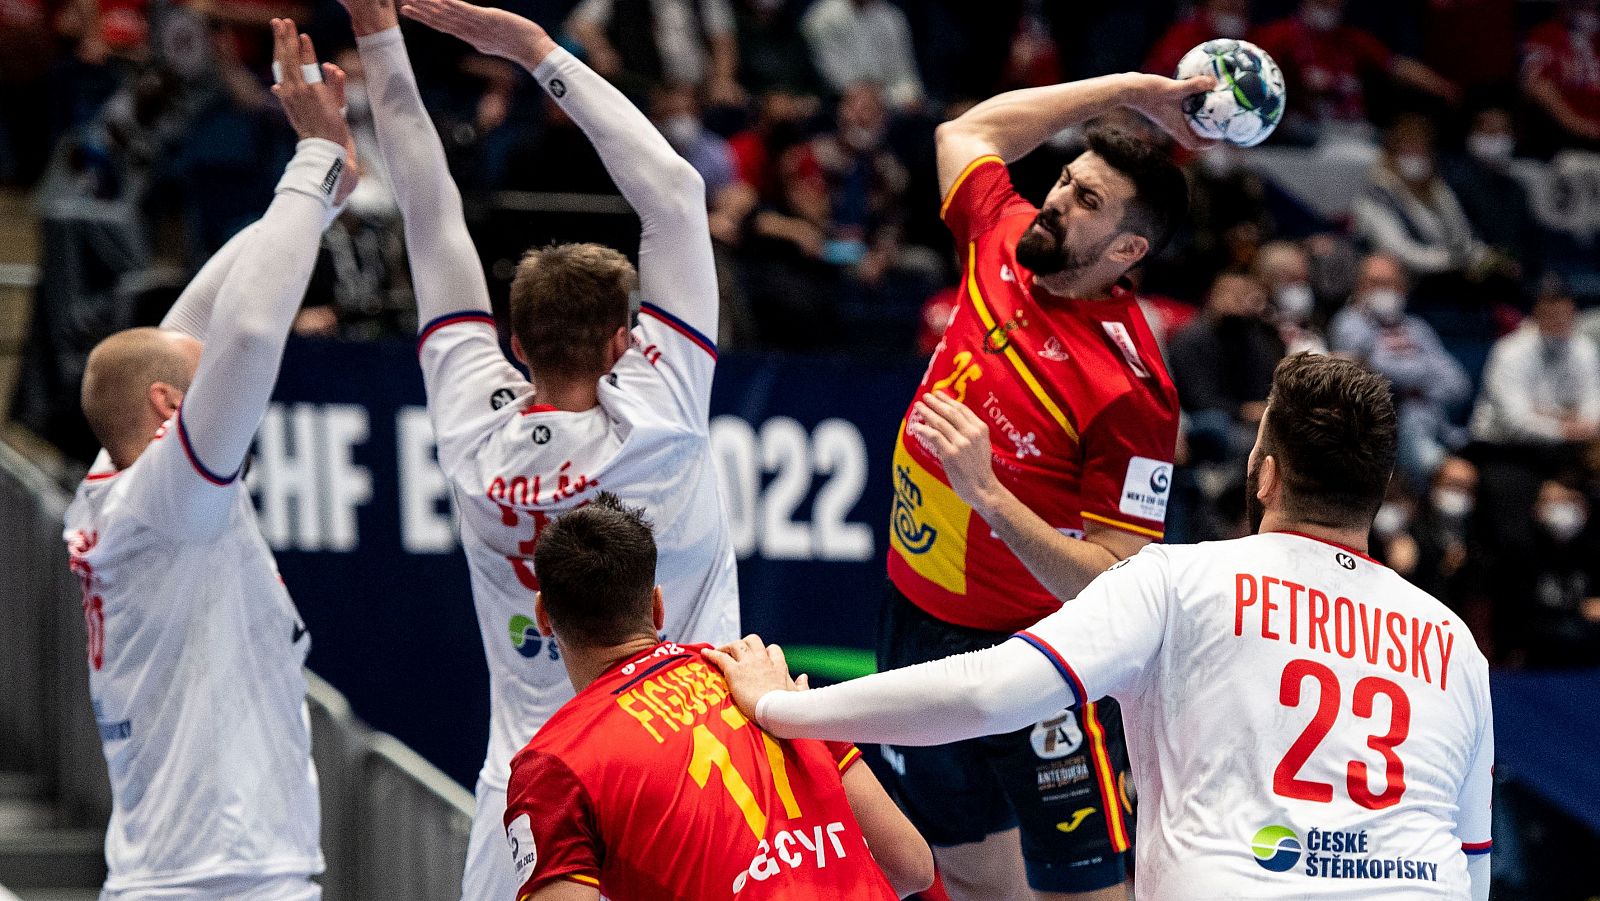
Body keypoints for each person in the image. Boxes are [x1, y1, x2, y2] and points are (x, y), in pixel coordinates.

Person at [709, 352, 1494, 901]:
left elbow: (990, 692)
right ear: (1384, 488)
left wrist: (782, 706)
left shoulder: (1182, 578)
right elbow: (1473, 865)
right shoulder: (1455, 641)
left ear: (1264, 473)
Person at [342, 0, 742, 898]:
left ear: (514, 344)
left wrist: (376, 33)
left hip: (530, 784)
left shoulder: (474, 436)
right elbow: (675, 195)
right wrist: (534, 49)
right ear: (620, 345)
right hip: (683, 769)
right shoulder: (659, 413)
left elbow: (430, 214)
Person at [875, 64, 1210, 900]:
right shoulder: (999, 235)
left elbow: (1117, 578)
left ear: (1127, 251)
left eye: (1088, 202)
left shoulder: (1133, 392)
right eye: (1066, 180)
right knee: (964, 870)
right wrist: (1130, 91)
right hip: (916, 623)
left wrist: (987, 491)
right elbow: (967, 133)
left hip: (1036, 660)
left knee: (1087, 892)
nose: (1058, 199)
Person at [62, 19, 357, 899]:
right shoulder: (169, 497)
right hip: (224, 879)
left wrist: (320, 190)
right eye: (200, 383)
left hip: (187, 872)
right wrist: (312, 163)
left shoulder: (113, 488)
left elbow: (190, 329)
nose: (219, 378)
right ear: (167, 409)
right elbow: (253, 332)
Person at [501, 494, 934, 899]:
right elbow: (912, 865)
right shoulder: (758, 677)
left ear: (542, 615)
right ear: (656, 606)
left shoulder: (555, 766)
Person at [1329, 253, 1470, 486]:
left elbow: (1458, 384)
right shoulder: (1349, 323)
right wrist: (1423, 375)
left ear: (1403, 288)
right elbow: (1368, 374)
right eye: (1374, 283)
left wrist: (1409, 382)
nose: (1382, 290)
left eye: (1389, 283)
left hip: (1431, 424)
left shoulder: (1417, 328)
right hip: (1374, 429)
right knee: (1452, 473)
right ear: (1360, 287)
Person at [1250, 0, 1459, 138]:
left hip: (1352, 127)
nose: (1330, 8)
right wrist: (1298, 86)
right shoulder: (1279, 35)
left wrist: (1443, 88)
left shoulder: (1350, 39)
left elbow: (1396, 66)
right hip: (1303, 129)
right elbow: (1253, 79)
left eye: (1335, 6)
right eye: (1323, 3)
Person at [1168, 271, 1285, 467]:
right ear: (1213, 296)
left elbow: (1268, 382)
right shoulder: (1190, 339)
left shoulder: (1256, 337)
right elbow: (1198, 399)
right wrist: (1243, 411)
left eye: (1244, 293)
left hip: (1247, 418)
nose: (1238, 300)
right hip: (1200, 419)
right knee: (1219, 426)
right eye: (1230, 293)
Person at [801, 0, 926, 111]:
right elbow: (833, 78)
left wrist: (908, 96)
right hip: (839, 101)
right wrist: (864, 95)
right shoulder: (821, 18)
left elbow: (905, 75)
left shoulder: (892, 18)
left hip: (889, 102)